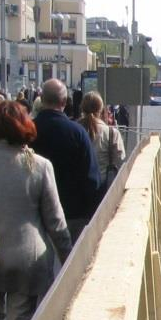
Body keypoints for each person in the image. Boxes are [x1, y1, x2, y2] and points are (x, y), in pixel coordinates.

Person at [0, 101, 72, 320]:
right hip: (28, 259)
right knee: (19, 319)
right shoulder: (39, 166)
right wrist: (68, 258)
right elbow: (56, 222)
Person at [30, 79, 102, 243]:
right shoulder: (77, 133)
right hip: (74, 214)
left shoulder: (29, 131)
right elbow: (91, 178)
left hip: (37, 216)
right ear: (64, 101)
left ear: (41, 98)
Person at [78, 91, 126, 187]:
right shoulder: (112, 133)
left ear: (82, 107)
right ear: (101, 109)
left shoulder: (74, 131)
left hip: (78, 188)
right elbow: (121, 162)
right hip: (104, 188)